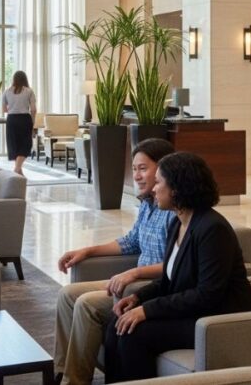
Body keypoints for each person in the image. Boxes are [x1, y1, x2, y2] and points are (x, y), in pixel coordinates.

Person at [102, 152, 251, 382]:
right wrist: (137, 298)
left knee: (134, 333)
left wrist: (147, 310)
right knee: (117, 321)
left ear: (177, 188)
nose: (153, 189)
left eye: (159, 183)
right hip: (194, 312)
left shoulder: (213, 229)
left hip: (216, 319)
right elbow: (169, 280)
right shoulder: (178, 222)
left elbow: (208, 295)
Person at [53, 138, 176, 385]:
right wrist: (87, 251)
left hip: (152, 284)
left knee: (87, 304)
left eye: (143, 168)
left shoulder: (173, 209)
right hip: (136, 280)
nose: (137, 175)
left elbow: (177, 264)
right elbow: (131, 242)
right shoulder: (147, 204)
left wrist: (135, 272)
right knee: (67, 294)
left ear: (163, 170)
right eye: (134, 169)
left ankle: (74, 381)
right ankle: (60, 373)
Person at [2, 70, 37, 176]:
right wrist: (32, 122)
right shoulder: (29, 91)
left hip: (11, 119)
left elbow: (4, 109)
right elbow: (33, 109)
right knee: (26, 144)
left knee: (14, 144)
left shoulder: (6, 91)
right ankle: (17, 170)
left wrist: (13, 110)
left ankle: (19, 174)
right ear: (25, 79)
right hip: (24, 119)